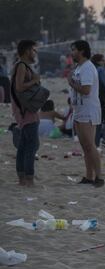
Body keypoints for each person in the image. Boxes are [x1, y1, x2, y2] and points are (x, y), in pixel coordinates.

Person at [67, 40, 103, 187]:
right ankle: (88, 176)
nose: (72, 53)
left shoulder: (88, 67)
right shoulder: (78, 67)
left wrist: (71, 84)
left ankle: (99, 177)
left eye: (74, 50)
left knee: (90, 144)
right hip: (79, 110)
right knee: (84, 146)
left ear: (81, 51)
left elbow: (86, 90)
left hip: (88, 110)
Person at [10, 40, 40, 186]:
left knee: (23, 146)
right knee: (30, 147)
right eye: (34, 50)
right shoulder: (21, 66)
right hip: (26, 112)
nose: (35, 53)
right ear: (27, 51)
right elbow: (20, 87)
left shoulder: (20, 65)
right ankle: (29, 179)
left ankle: (22, 178)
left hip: (23, 111)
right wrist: (34, 81)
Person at [91, 54, 105, 148]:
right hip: (103, 97)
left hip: (95, 97)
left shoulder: (92, 69)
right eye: (102, 60)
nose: (104, 62)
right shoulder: (100, 69)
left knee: (98, 121)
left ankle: (96, 142)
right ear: (98, 61)